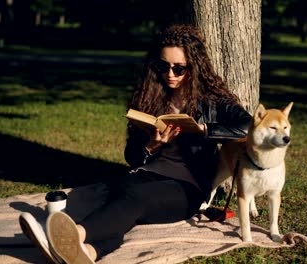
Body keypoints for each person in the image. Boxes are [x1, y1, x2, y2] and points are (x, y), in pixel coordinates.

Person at [19, 24, 252, 263]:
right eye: (163, 66)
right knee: (121, 200)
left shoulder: (212, 100)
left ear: (195, 67)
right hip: (146, 173)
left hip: (187, 187)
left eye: (179, 68)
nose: (169, 74)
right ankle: (87, 253)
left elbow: (248, 126)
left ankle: (71, 236)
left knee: (134, 200)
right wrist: (152, 145)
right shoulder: (151, 96)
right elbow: (131, 155)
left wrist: (205, 129)